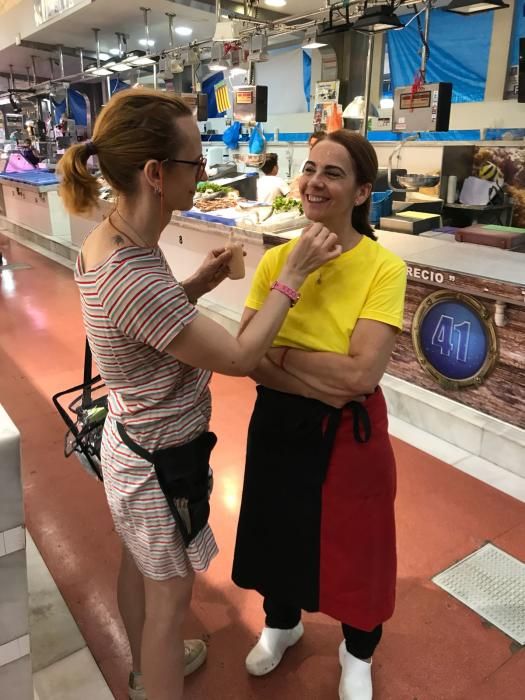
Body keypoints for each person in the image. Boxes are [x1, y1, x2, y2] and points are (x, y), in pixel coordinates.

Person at [58, 88, 342, 700]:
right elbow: (241, 357)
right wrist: (289, 279)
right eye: (194, 163)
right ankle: (152, 675)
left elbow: (146, 327)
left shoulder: (116, 241)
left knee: (139, 567)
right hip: (154, 464)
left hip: (134, 444)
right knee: (170, 599)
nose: (205, 173)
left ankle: (143, 668)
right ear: (157, 175)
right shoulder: (131, 271)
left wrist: (198, 282)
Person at [232, 130, 407, 700]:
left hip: (349, 435)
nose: (314, 181)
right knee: (276, 530)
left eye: (333, 173)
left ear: (361, 193)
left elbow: (362, 376)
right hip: (281, 423)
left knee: (359, 548)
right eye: (309, 168)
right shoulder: (279, 260)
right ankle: (282, 622)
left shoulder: (383, 267)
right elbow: (246, 356)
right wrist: (299, 364)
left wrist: (276, 351)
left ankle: (358, 652)